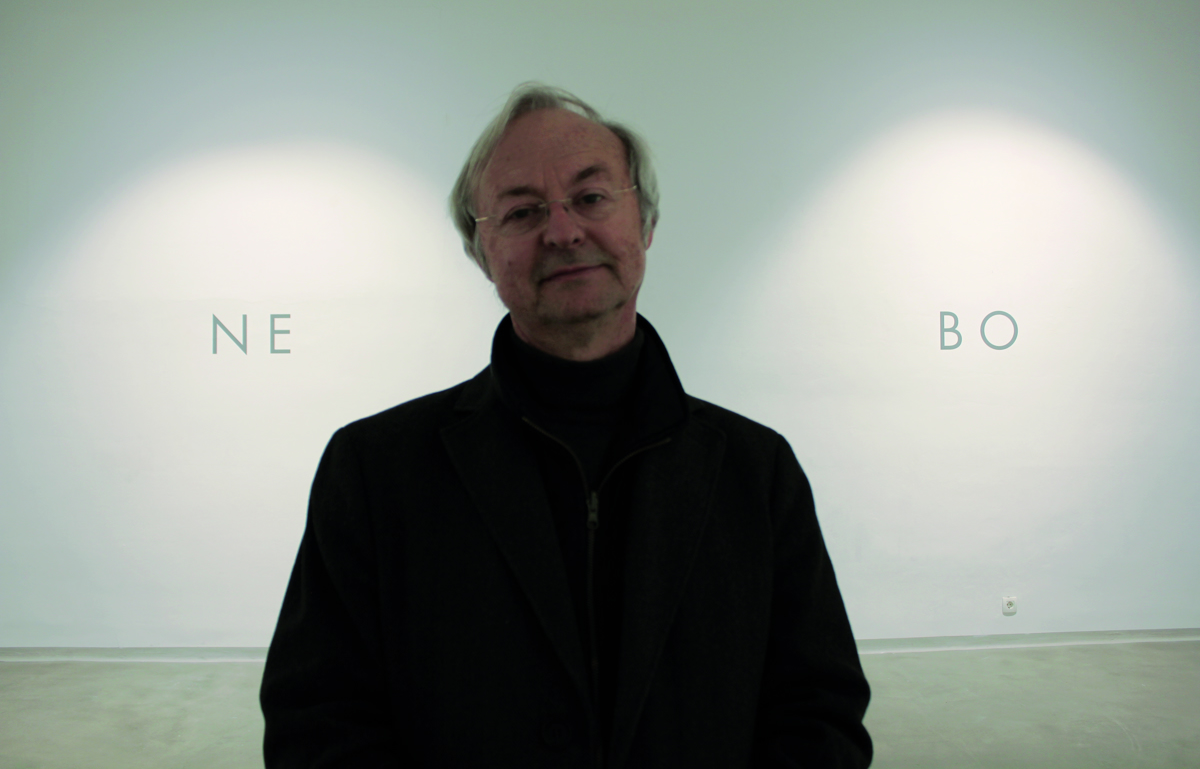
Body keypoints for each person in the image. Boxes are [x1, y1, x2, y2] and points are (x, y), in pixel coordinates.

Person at [259, 82, 873, 768]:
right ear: (482, 253)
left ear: (645, 224)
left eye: (591, 197)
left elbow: (818, 710)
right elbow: (317, 722)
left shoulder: (756, 471)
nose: (563, 230)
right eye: (522, 212)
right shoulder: (374, 471)